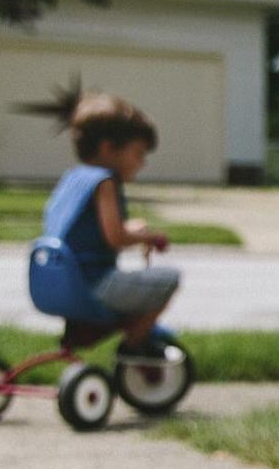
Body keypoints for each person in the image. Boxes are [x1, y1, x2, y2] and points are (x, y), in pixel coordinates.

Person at [35, 90, 179, 357]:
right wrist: (149, 237)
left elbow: (93, 231)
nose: (142, 162)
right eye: (138, 153)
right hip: (93, 285)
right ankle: (134, 347)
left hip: (60, 283)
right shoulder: (105, 181)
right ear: (107, 148)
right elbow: (115, 237)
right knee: (169, 279)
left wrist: (133, 230)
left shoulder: (74, 178)